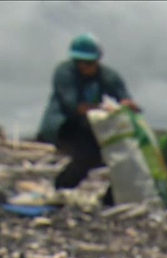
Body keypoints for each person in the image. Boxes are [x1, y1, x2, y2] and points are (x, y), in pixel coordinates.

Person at [36, 33, 141, 201]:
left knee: (120, 156)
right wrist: (107, 109)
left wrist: (127, 105)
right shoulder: (64, 73)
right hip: (63, 125)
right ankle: (61, 187)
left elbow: (124, 97)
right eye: (79, 62)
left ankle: (111, 198)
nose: (83, 66)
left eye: (88, 62)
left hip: (91, 126)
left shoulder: (107, 76)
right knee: (88, 154)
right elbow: (75, 106)